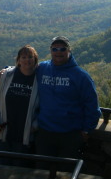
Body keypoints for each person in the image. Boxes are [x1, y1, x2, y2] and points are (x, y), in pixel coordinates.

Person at [35, 36, 101, 170]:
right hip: (44, 133)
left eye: (62, 49)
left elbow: (92, 105)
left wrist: (87, 130)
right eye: (55, 49)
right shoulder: (42, 68)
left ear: (69, 50)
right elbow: (24, 67)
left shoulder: (81, 76)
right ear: (50, 50)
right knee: (41, 171)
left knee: (64, 172)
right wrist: (5, 70)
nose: (58, 52)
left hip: (70, 135)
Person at [0, 44, 39, 167]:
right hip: (3, 132)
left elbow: (45, 107)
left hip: (25, 135)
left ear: (35, 60)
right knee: (1, 168)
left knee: (20, 170)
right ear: (18, 60)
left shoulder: (40, 80)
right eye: (24, 57)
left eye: (30, 57)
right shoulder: (6, 75)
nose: (27, 60)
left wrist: (35, 125)